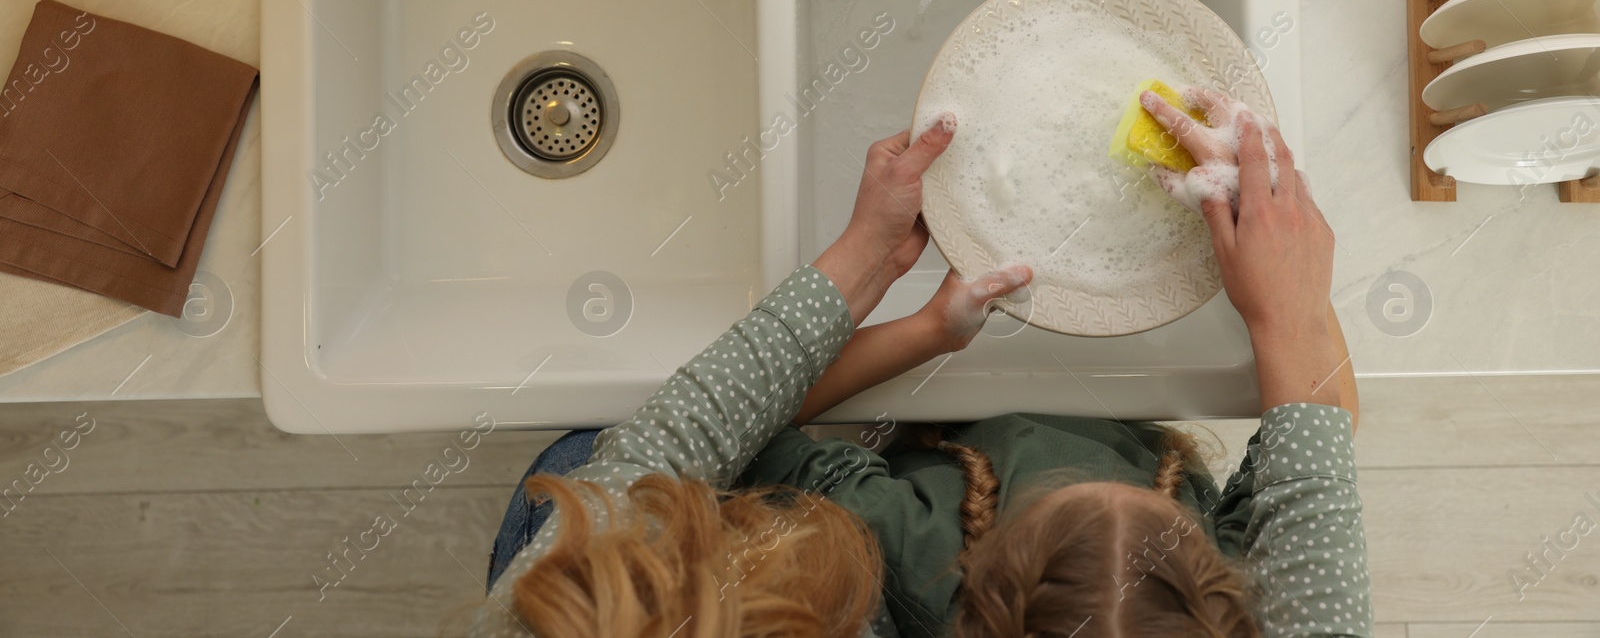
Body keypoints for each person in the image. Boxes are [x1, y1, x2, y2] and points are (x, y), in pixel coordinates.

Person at [473, 92, 1371, 638]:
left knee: (585, 464)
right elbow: (1316, 456)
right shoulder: (1296, 607)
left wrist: (888, 296)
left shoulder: (871, 542)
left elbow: (680, 442)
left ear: (975, 596)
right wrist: (1288, 302)